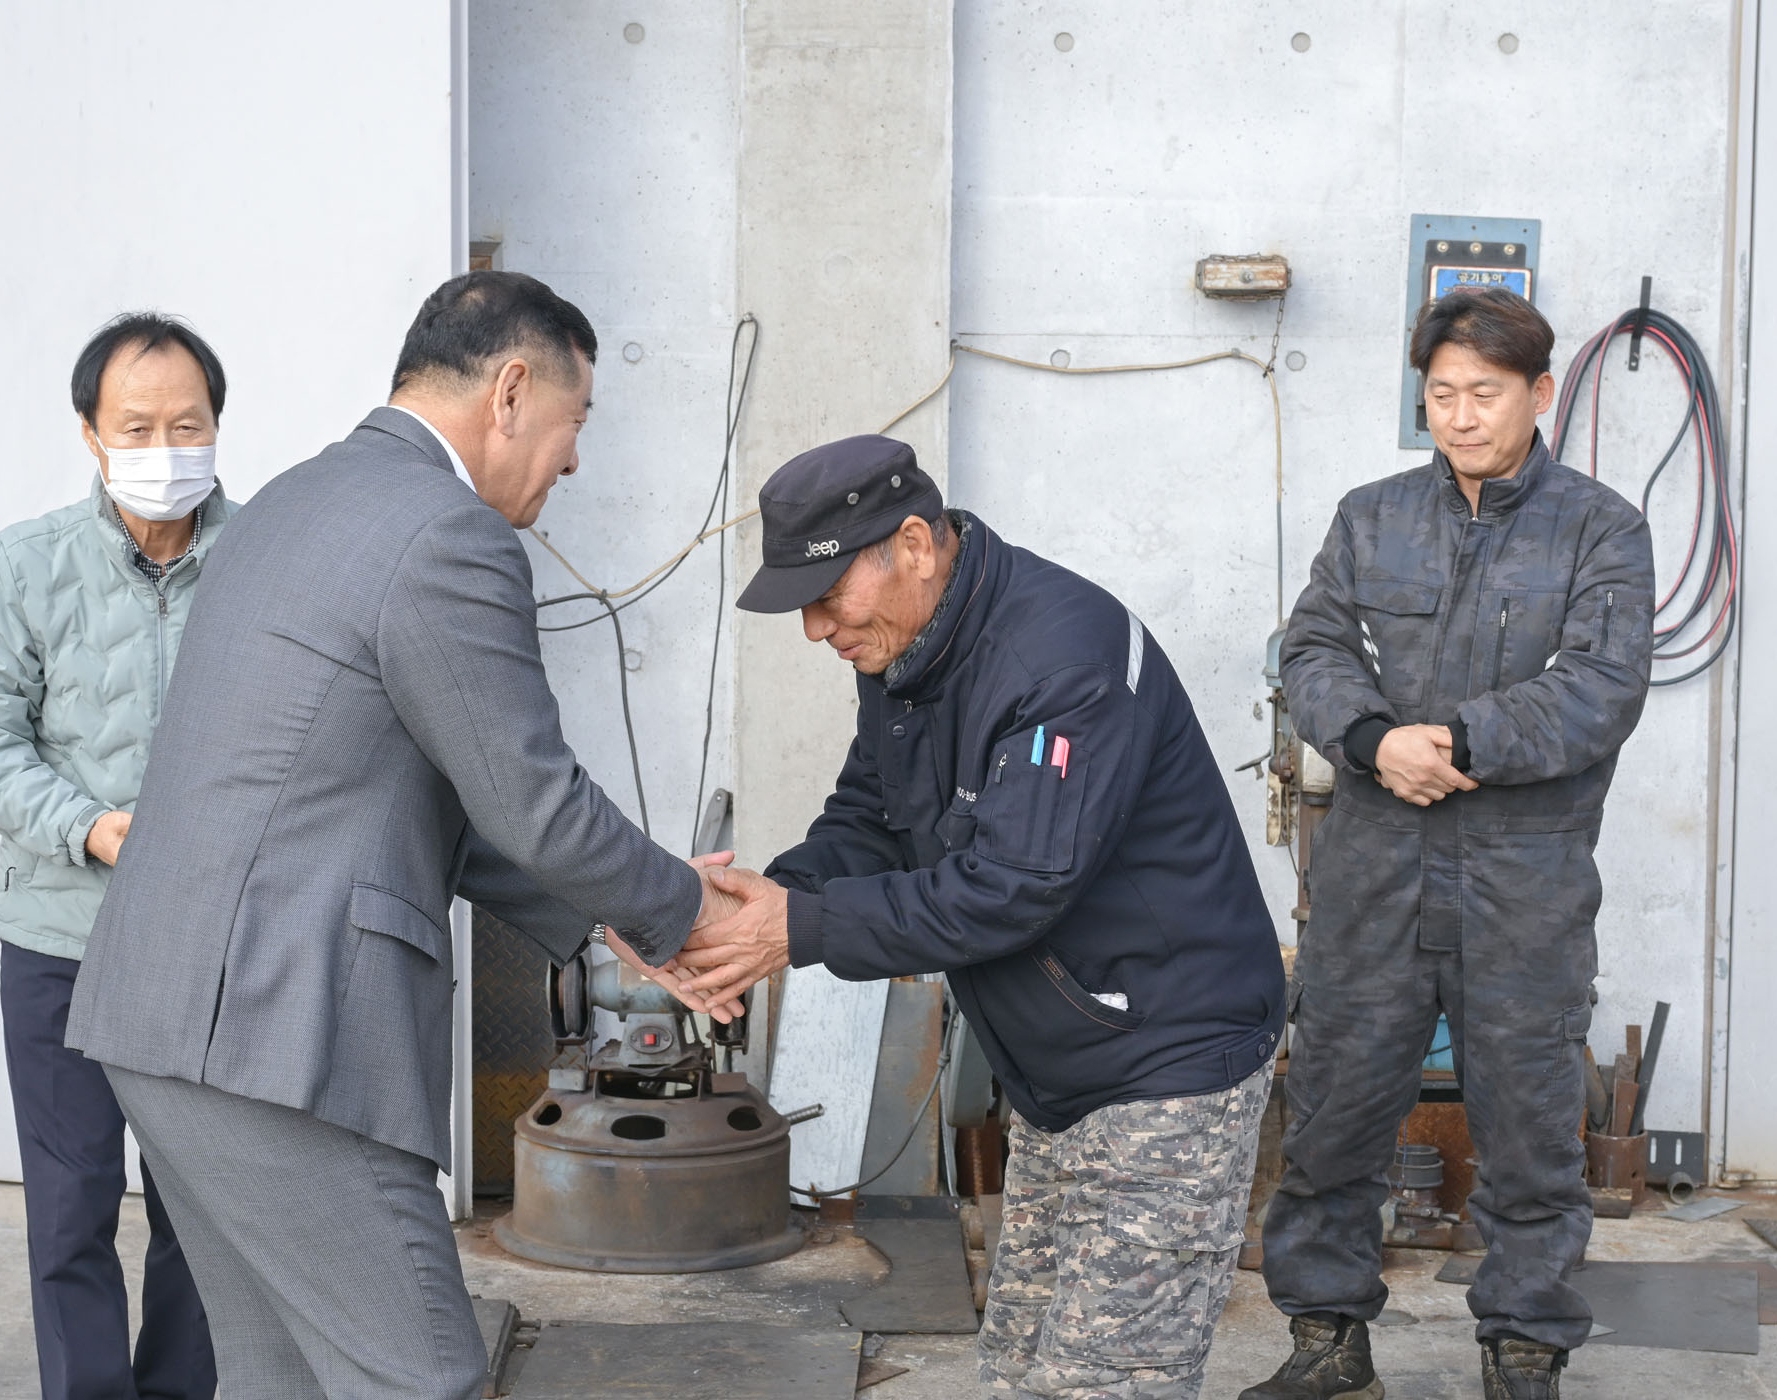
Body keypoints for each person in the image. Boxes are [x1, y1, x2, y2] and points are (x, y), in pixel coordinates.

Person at [64, 270, 742, 1400]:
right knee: (422, 1376)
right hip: (283, 1035)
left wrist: (611, 918)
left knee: (278, 1378)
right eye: (576, 420)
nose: (574, 460)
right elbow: (531, 799)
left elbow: (400, 788)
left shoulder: (292, 501)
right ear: (511, 391)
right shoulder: (448, 535)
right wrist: (690, 913)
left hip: (165, 1018)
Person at [673, 435, 1286, 1400]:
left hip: (1165, 1071)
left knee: (1104, 1385)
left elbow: (1013, 887)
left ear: (915, 546)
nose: (817, 630)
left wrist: (799, 928)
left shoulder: (1062, 664)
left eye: (827, 597)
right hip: (1063, 1073)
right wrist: (759, 902)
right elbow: (872, 818)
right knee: (1019, 1374)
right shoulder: (909, 651)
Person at [1243, 288, 1654, 1400]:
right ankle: (1328, 1342)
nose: (1462, 416)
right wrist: (1373, 740)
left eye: (1485, 392)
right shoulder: (1370, 518)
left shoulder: (1601, 529)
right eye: (1441, 394)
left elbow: (1600, 687)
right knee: (1334, 1111)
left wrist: (1461, 741)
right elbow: (1314, 647)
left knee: (1528, 1129)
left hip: (1525, 879)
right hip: (1375, 869)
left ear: (1539, 393)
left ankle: (1524, 1346)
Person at [0, 312, 232, 1400]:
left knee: (205, 1216)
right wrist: (87, 825)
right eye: (136, 427)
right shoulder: (24, 567)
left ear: (218, 427)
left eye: (186, 425)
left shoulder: (267, 566)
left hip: (215, 947)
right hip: (61, 939)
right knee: (70, 1209)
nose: (164, 449)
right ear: (91, 434)